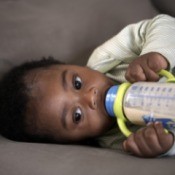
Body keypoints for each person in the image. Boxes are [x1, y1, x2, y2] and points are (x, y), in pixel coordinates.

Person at [0, 14, 175, 158]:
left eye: (77, 83)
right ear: (76, 141)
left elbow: (163, 23)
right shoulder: (119, 141)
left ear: (75, 66)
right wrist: (164, 146)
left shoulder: (105, 58)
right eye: (77, 116)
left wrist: (157, 54)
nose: (90, 97)